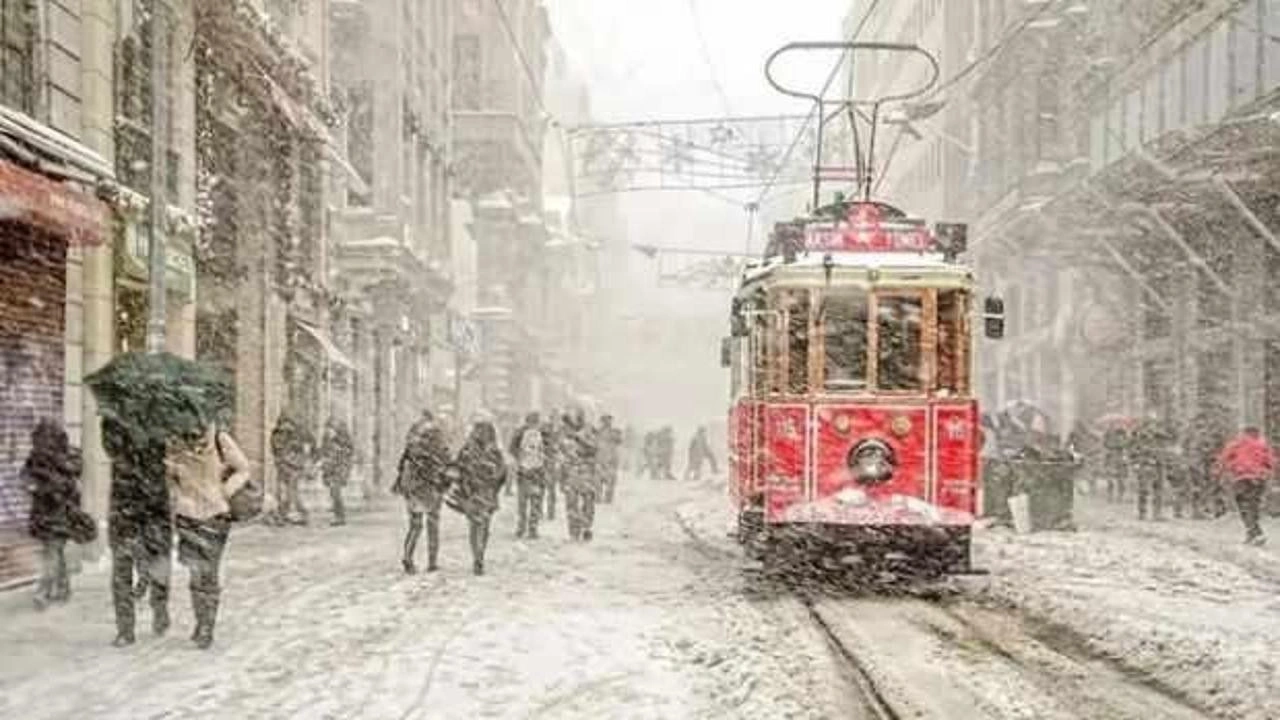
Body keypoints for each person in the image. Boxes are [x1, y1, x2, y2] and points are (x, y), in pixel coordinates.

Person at [164, 423, 251, 649]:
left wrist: (225, 490)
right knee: (195, 572)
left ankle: (206, 627)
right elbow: (168, 476)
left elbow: (243, 468)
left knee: (208, 572)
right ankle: (201, 619)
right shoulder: (174, 440)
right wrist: (175, 489)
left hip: (215, 515)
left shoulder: (220, 438)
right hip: (188, 515)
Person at [103, 416, 172, 647]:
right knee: (123, 571)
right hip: (127, 509)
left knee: (157, 563)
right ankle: (125, 628)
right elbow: (110, 447)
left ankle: (159, 609)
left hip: (151, 508)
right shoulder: (115, 419)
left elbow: (168, 450)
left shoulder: (161, 417)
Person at [22, 420, 82, 609]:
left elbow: (71, 482)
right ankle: (64, 588)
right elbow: (25, 476)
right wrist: (32, 484)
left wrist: (48, 481)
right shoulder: (37, 457)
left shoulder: (69, 456)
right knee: (54, 552)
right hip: (43, 512)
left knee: (52, 551)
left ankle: (43, 592)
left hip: (61, 512)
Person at [393, 411, 452, 574]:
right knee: (433, 524)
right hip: (432, 486)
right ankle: (432, 562)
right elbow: (447, 463)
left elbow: (401, 465)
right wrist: (445, 483)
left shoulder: (413, 444)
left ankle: (408, 557)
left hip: (414, 487)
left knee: (415, 525)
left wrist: (401, 483)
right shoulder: (439, 441)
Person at [454, 420, 507, 574]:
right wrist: (493, 482)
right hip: (484, 492)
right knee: (483, 526)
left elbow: (458, 468)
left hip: (474, 492)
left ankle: (478, 556)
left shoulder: (468, 449)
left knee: (476, 526)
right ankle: (479, 556)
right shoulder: (493, 450)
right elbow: (502, 473)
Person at [1214, 427, 1275, 546]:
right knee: (1253, 505)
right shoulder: (1263, 446)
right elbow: (1271, 462)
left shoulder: (1236, 444)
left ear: (1244, 433)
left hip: (1242, 477)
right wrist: (1267, 475)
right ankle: (1254, 532)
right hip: (1259, 479)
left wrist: (1220, 472)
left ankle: (1254, 532)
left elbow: (1223, 459)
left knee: (1243, 505)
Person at [270, 413, 314, 525]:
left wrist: (301, 460)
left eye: (290, 424)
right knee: (285, 492)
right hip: (284, 467)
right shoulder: (278, 435)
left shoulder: (294, 435)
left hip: (293, 468)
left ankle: (289, 515)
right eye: (286, 424)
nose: (289, 427)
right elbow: (278, 451)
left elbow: (304, 450)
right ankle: (288, 515)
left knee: (291, 492)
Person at [562, 410, 599, 541]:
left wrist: (578, 438)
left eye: (579, 416)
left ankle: (586, 527)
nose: (576, 419)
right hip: (570, 471)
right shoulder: (565, 432)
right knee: (571, 503)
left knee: (588, 501)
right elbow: (561, 451)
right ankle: (574, 530)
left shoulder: (590, 430)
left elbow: (594, 448)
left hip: (586, 470)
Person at [509, 412, 547, 539]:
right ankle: (530, 528)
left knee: (525, 501)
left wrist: (520, 459)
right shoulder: (538, 433)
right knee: (532, 501)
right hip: (534, 471)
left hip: (528, 471)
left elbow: (512, 448)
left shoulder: (521, 432)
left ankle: (525, 527)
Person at [1130, 416, 1169, 521]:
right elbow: (1133, 451)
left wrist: (1163, 459)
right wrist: (1136, 463)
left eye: (1154, 423)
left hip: (1159, 465)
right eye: (1150, 423)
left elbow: (1164, 448)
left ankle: (1157, 513)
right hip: (1145, 464)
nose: (1153, 426)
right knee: (1144, 490)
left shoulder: (1160, 436)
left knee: (1159, 490)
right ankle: (1142, 512)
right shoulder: (1139, 436)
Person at [320, 418, 355, 526]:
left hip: (338, 470)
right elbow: (324, 453)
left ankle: (340, 516)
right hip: (331, 470)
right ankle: (338, 514)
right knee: (333, 493)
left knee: (335, 493)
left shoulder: (342, 442)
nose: (328, 431)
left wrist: (333, 459)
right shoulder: (329, 440)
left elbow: (345, 457)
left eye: (330, 428)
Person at [1101, 422, 1130, 503]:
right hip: (1111, 458)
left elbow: (1126, 444)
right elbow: (1104, 444)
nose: (1114, 426)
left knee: (1121, 479)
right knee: (1110, 479)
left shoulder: (1123, 434)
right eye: (1112, 425)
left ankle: (1120, 496)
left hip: (1120, 458)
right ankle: (1110, 496)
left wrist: (1121, 445)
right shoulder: (1107, 434)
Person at [596, 415, 622, 503]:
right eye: (605, 421)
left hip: (611, 459)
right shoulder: (597, 432)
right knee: (598, 480)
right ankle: (598, 497)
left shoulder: (615, 432)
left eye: (609, 421)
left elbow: (619, 441)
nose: (607, 423)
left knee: (610, 480)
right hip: (600, 458)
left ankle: (608, 498)